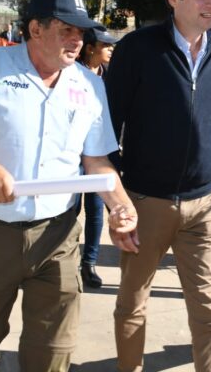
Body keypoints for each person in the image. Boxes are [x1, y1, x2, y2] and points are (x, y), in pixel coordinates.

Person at [0, 0, 139, 371]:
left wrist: (121, 207)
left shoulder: (89, 85)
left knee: (53, 353)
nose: (78, 41)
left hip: (57, 237)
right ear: (35, 29)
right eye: (67, 30)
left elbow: (96, 159)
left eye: (81, 33)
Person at [106, 0, 211, 372]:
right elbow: (106, 133)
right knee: (132, 303)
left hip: (206, 205)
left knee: (209, 311)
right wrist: (119, 203)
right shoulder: (137, 49)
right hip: (146, 202)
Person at [77, 25, 119, 288]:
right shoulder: (71, 74)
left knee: (95, 213)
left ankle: (88, 264)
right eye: (106, 45)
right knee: (68, 211)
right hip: (71, 159)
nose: (111, 50)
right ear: (90, 47)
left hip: (98, 156)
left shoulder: (110, 78)